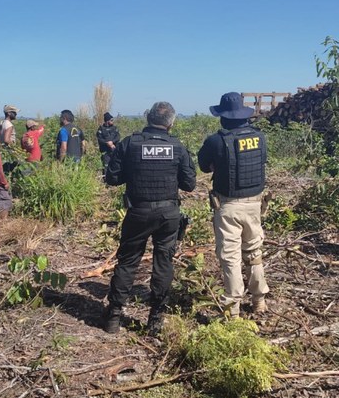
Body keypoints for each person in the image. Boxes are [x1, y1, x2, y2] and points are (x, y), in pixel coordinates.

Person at [104, 101, 196, 335]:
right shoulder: (177, 147)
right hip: (168, 214)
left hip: (138, 212)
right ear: (171, 123)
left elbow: (112, 177)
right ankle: (155, 319)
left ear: (147, 118)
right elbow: (189, 184)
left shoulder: (130, 143)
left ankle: (114, 316)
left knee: (128, 262)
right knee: (163, 262)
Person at [197, 91, 269, 318]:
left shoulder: (215, 140)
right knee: (253, 252)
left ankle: (233, 309)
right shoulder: (260, 137)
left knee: (230, 258)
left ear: (223, 117)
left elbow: (204, 167)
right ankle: (259, 301)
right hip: (255, 205)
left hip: (228, 206)